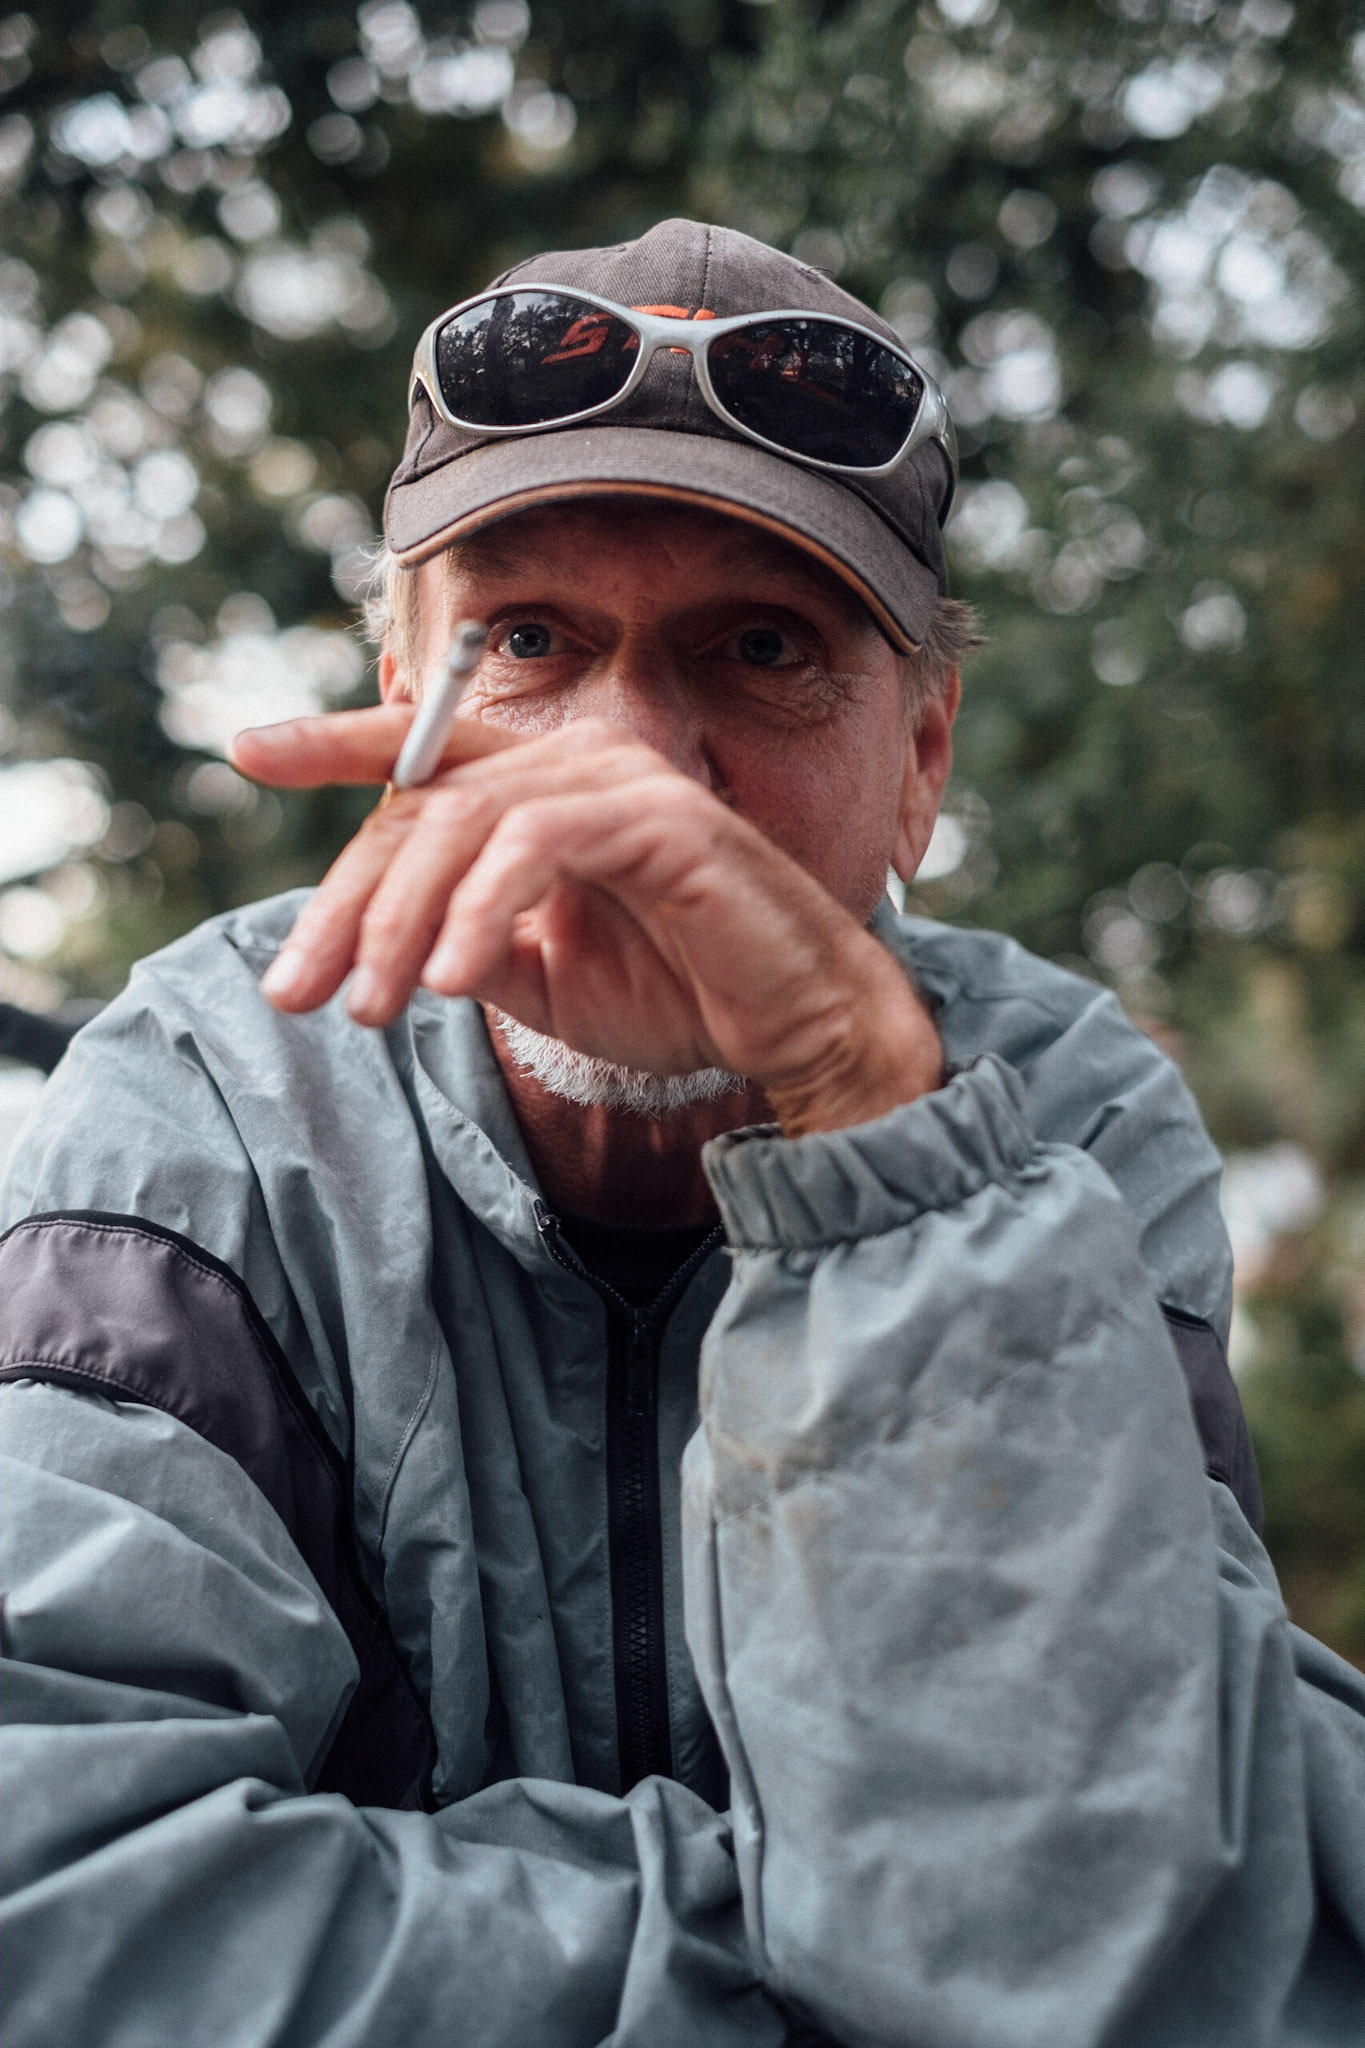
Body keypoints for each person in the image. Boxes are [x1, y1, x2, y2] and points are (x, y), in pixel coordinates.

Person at [1, 219, 1361, 2048]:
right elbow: (64, 1911)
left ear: (924, 761)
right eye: (527, 639)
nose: (632, 768)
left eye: (763, 647)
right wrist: (831, 1967)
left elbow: (1114, 1921)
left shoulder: (1062, 1109)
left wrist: (878, 1140)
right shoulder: (198, 1102)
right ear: (398, 711)